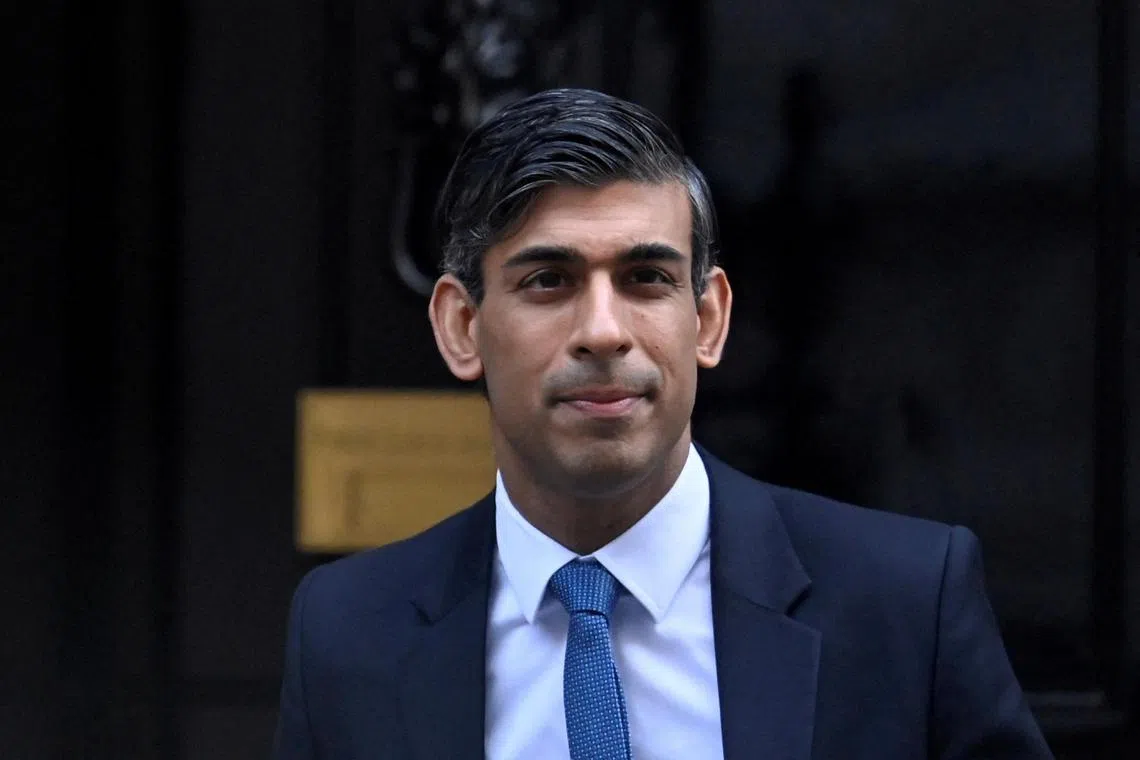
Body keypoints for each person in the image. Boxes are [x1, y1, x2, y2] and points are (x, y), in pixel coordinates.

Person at [273, 88, 1052, 759]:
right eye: (549, 281)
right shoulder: (347, 631)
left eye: (646, 278)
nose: (604, 331)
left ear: (708, 319)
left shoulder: (907, 604)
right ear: (461, 326)